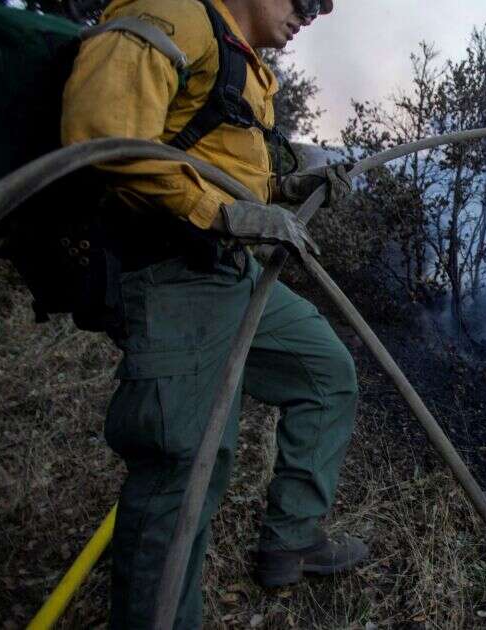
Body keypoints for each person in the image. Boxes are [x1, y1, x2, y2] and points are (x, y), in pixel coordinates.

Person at [61, 0, 360, 625]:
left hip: (231, 271)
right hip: (173, 276)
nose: (316, 11)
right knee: (186, 473)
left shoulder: (245, 63)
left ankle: (292, 539)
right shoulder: (172, 13)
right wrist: (224, 214)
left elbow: (231, 171)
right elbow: (99, 138)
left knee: (326, 372)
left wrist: (288, 186)